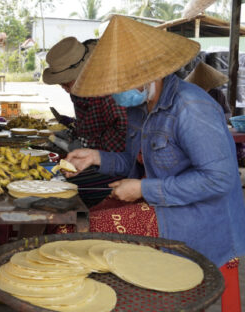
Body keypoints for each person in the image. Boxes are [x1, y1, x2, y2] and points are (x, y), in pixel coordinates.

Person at [67, 16, 245, 311]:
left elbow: (219, 179)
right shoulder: (140, 108)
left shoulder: (191, 108)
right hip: (165, 204)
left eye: (122, 82)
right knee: (80, 222)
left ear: (149, 73)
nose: (116, 91)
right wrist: (97, 158)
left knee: (94, 230)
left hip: (201, 216)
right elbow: (131, 162)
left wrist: (144, 189)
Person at [42, 37, 127, 213]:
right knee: (48, 175)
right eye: (61, 84)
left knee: (62, 187)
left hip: (118, 163)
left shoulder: (108, 91)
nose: (65, 88)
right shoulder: (77, 91)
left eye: (67, 82)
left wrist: (93, 151)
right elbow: (84, 126)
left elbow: (122, 132)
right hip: (93, 155)